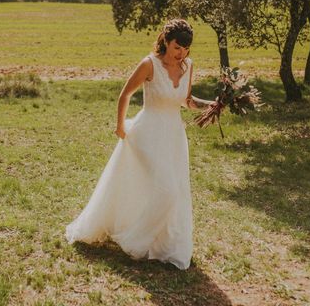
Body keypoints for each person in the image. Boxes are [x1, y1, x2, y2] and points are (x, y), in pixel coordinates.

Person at [66, 19, 213, 269]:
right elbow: (125, 94)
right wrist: (120, 126)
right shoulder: (149, 64)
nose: (182, 53)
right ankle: (133, 241)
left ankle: (165, 244)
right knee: (167, 189)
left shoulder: (188, 66)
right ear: (166, 41)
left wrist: (212, 104)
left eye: (186, 49)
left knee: (173, 189)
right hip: (148, 132)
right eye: (177, 47)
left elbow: (186, 101)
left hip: (175, 136)